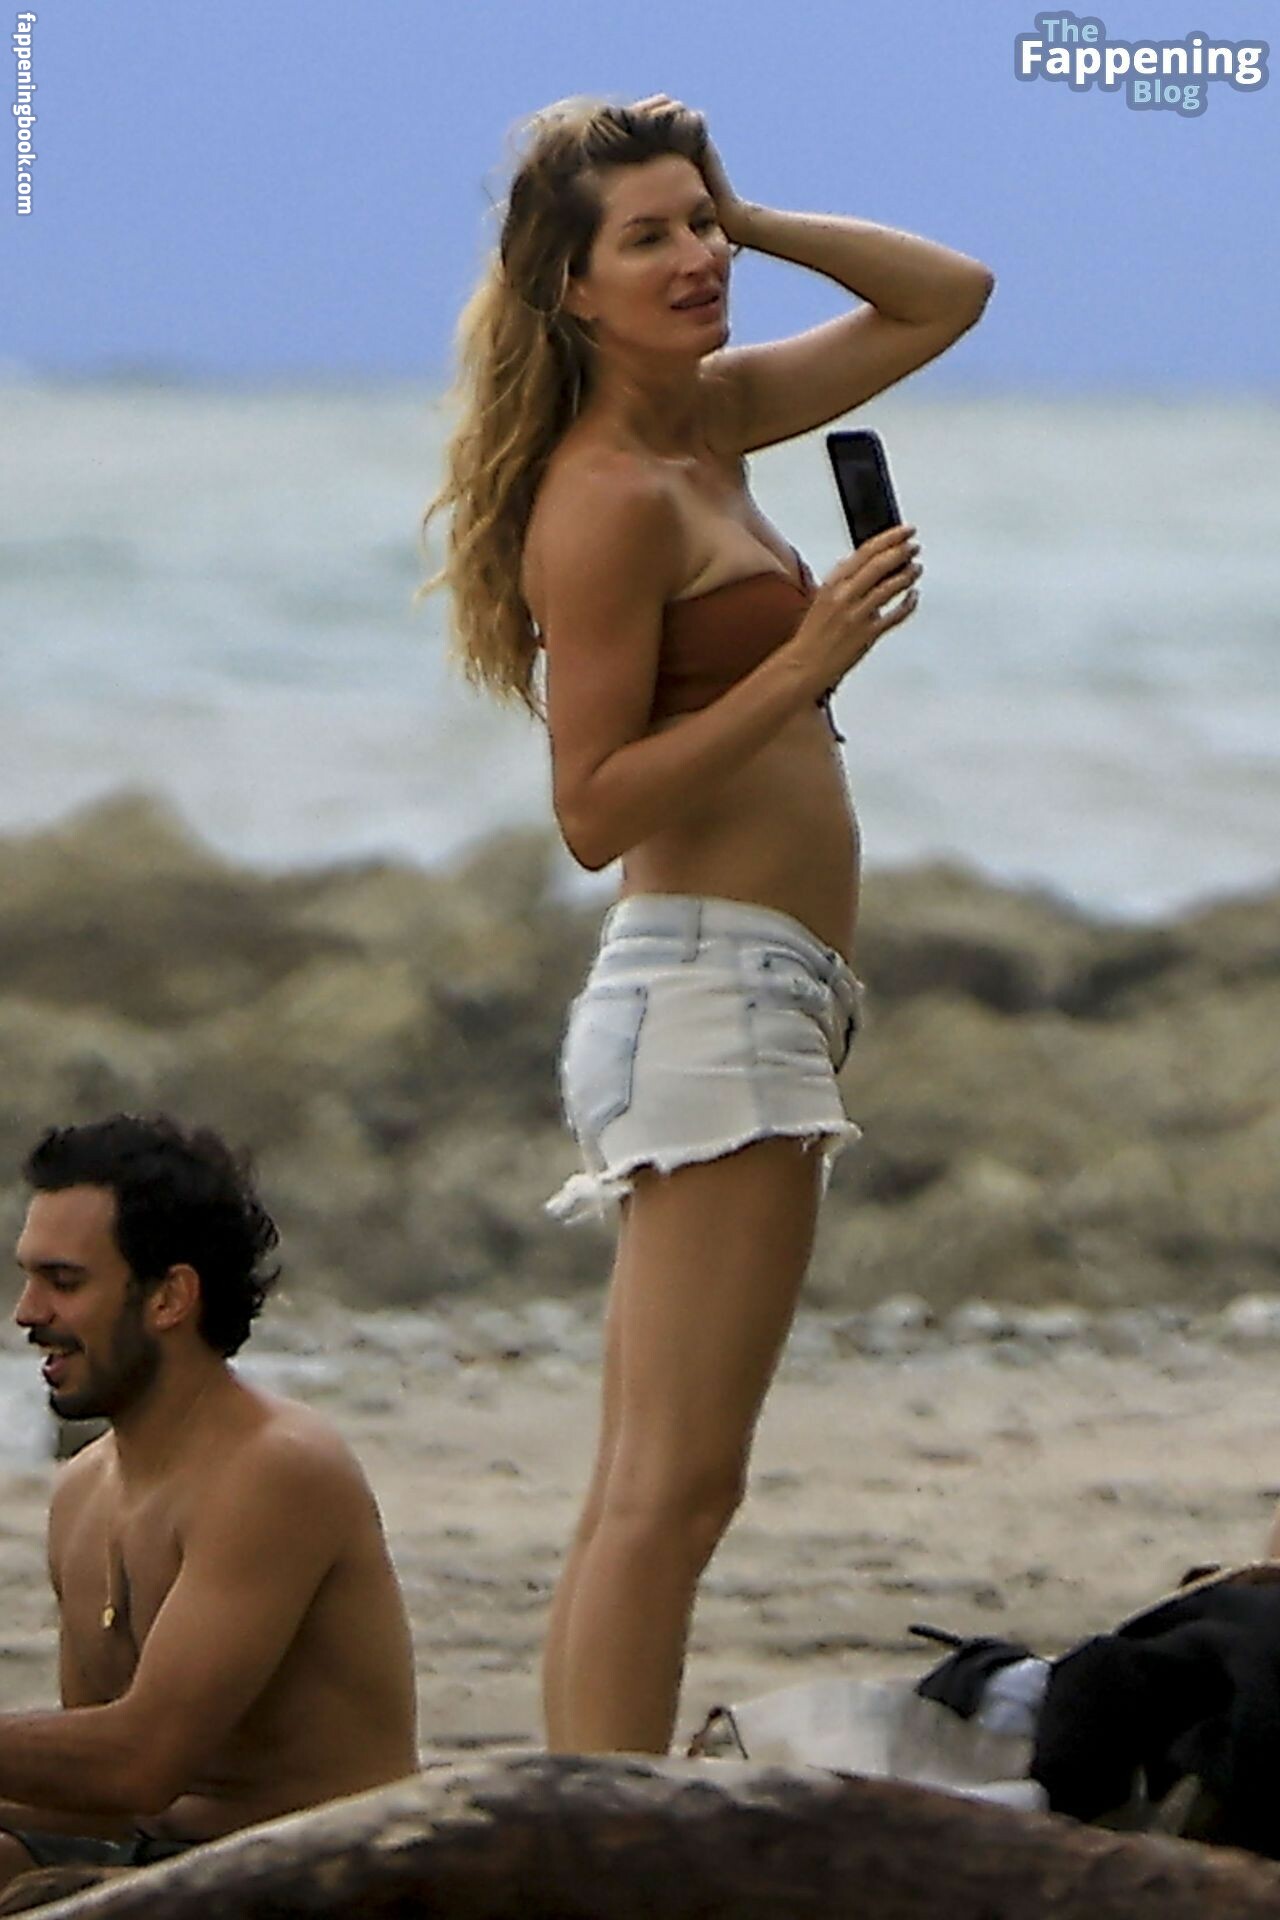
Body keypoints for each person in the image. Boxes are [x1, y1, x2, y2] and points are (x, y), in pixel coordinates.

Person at [422, 93, 994, 1755]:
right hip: (706, 995)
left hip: (758, 990)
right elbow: (594, 807)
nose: (696, 260)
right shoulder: (607, 495)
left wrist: (754, 217)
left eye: (701, 225)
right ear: (569, 287)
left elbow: (947, 295)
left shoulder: (715, 422)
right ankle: (596, 1829)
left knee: (653, 1486)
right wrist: (806, 661)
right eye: (649, 239)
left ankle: (582, 1817)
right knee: (669, 1494)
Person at [0, 1114, 418, 1893]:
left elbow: (140, 1763)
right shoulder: (82, 1492)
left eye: (64, 1282)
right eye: (28, 1278)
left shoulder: (275, 1470)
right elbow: (89, 1799)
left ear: (169, 1298)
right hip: (163, 1867)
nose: (27, 1312)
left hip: (328, 1880)